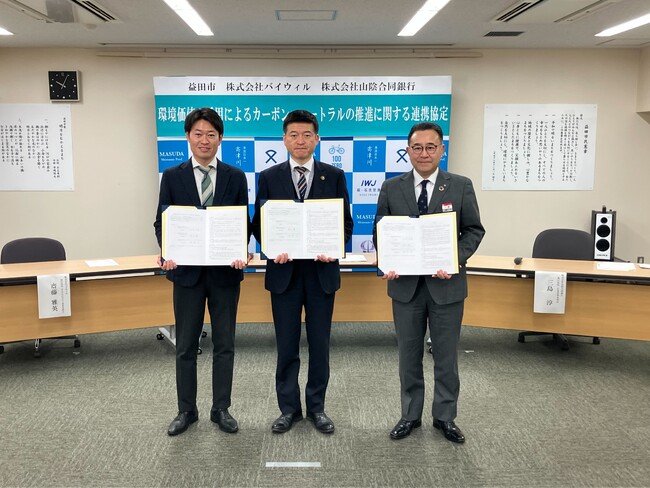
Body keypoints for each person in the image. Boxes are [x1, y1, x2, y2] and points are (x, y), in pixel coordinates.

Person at [373, 122, 485, 444]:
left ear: (441, 150)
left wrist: (453, 258)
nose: (424, 153)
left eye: (431, 147)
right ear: (408, 151)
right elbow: (381, 230)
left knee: (446, 358)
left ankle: (445, 417)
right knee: (408, 356)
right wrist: (388, 260)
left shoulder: (460, 185)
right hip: (405, 288)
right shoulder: (391, 187)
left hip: (447, 287)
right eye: (418, 147)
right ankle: (410, 415)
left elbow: (474, 230)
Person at [252, 109, 353, 434]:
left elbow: (346, 223)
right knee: (286, 346)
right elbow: (259, 224)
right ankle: (289, 409)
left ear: (317, 139)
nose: (300, 140)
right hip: (285, 274)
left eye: (307, 135)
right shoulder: (269, 177)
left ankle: (317, 408)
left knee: (320, 346)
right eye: (293, 135)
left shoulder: (334, 175)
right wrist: (272, 247)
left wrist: (334, 247)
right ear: (284, 140)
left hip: (322, 273)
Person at [153, 107, 250, 436]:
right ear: (188, 137)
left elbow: (242, 223)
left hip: (225, 275)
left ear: (220, 139)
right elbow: (162, 223)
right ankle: (186, 410)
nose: (204, 140)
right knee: (185, 346)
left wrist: (241, 250)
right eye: (198, 134)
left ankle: (221, 408)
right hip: (187, 275)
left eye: (211, 134)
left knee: (225, 344)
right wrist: (167, 251)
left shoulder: (236, 176)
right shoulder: (172, 176)